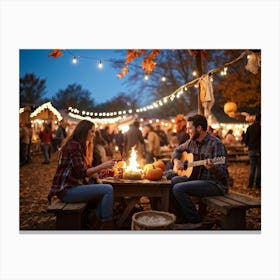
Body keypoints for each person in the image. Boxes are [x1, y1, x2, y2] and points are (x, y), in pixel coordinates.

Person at [48, 120, 116, 229]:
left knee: (101, 185)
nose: (94, 135)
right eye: (92, 132)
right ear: (84, 131)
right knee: (108, 189)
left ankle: (95, 219)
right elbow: (81, 173)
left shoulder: (81, 145)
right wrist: (103, 166)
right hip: (66, 190)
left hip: (74, 186)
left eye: (94, 132)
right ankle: (105, 223)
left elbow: (85, 170)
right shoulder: (74, 145)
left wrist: (97, 174)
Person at [170, 114, 229, 229]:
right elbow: (177, 150)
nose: (187, 131)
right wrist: (176, 160)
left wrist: (212, 168)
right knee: (173, 181)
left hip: (215, 183)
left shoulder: (216, 144)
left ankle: (195, 221)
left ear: (199, 128)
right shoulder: (191, 142)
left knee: (179, 188)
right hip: (198, 178)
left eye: (189, 128)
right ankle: (182, 217)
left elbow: (221, 172)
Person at [244, 113, 261, 189]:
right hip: (259, 150)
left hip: (251, 150)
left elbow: (245, 140)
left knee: (252, 167)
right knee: (259, 168)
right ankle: (257, 185)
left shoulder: (250, 127)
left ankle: (250, 185)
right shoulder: (261, 128)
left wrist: (248, 145)